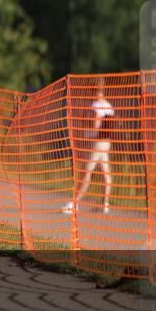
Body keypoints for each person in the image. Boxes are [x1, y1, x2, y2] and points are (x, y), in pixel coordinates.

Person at [64, 84, 115, 215]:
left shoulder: (95, 106)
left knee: (86, 172)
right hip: (106, 142)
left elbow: (93, 124)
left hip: (95, 142)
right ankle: (105, 203)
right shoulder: (109, 106)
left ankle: (75, 203)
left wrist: (84, 121)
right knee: (105, 172)